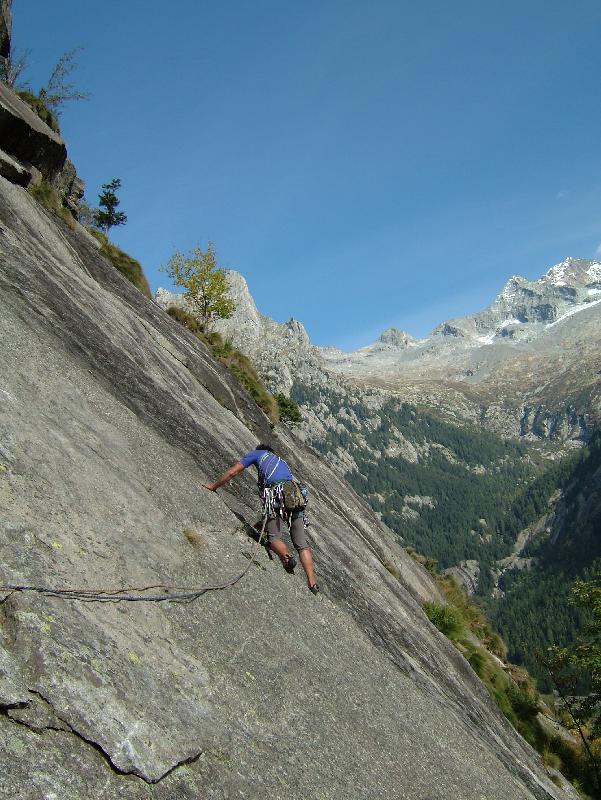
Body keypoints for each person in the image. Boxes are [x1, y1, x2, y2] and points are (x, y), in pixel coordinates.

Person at [202, 444, 319, 594]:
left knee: (274, 537)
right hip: (294, 495)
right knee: (301, 544)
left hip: (275, 494)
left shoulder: (257, 454)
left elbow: (233, 472)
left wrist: (214, 486)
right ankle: (312, 583)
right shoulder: (281, 461)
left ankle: (286, 557)